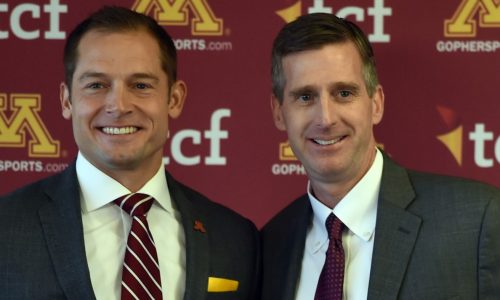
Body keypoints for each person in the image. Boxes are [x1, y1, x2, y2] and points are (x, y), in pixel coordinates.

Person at [0, 6, 259, 300]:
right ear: (67, 99)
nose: (118, 105)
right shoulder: (5, 229)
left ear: (174, 99)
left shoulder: (235, 238)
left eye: (140, 85)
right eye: (96, 85)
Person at [261, 13, 500, 300]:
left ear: (376, 104)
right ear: (278, 112)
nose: (325, 118)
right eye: (305, 97)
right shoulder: (270, 245)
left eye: (344, 93)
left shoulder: (477, 220)